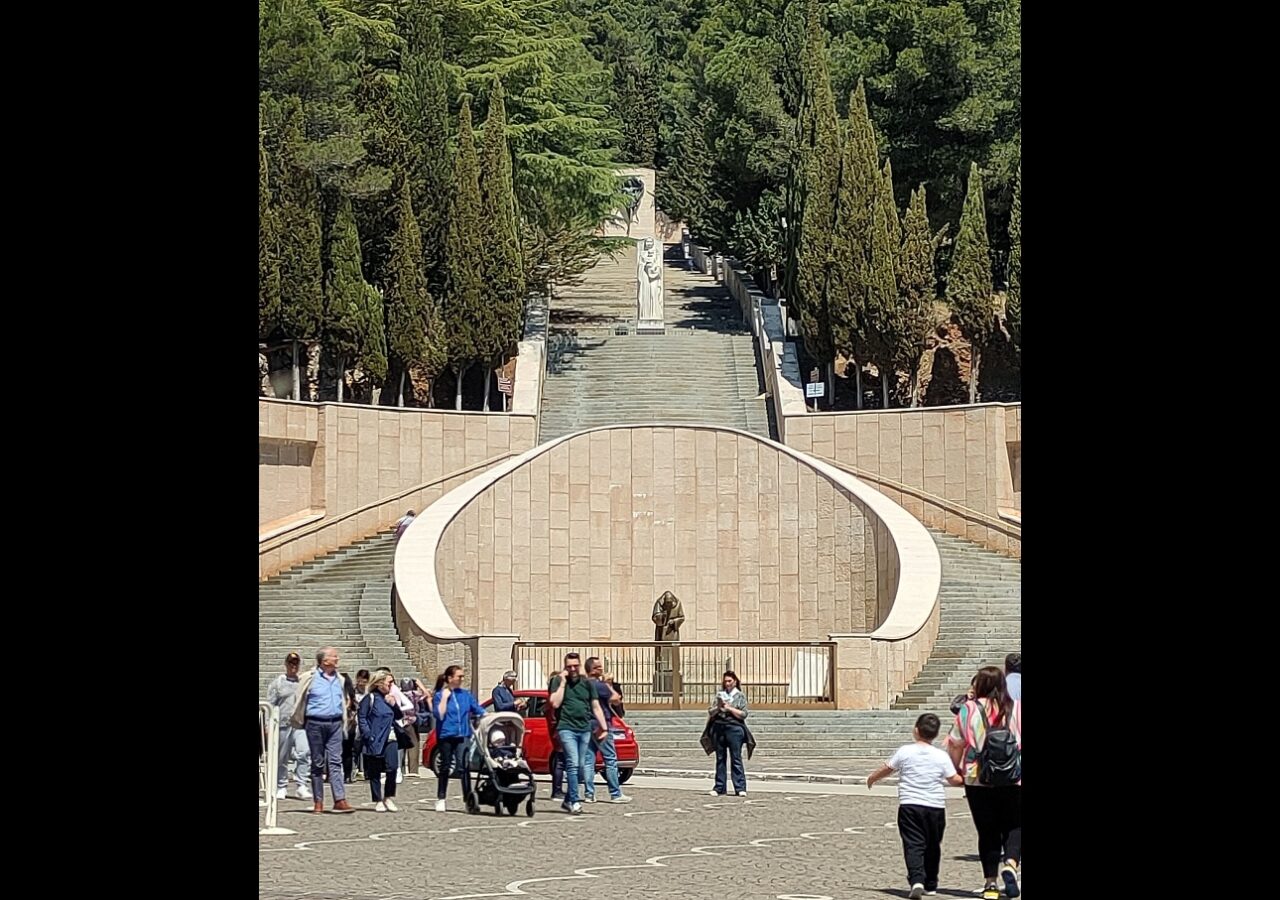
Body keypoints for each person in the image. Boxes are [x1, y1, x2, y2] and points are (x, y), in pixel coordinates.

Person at [866, 713, 964, 899]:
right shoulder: (941, 756)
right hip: (935, 807)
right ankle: (931, 884)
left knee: (913, 844)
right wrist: (969, 778)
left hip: (910, 805)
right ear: (935, 734)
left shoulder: (905, 751)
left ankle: (917, 880)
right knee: (933, 845)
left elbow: (888, 767)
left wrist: (873, 778)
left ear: (916, 731)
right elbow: (954, 779)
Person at [947, 667, 1022, 900]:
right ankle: (1010, 863)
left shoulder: (967, 710)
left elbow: (956, 743)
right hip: (1014, 777)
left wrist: (956, 770)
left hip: (977, 777)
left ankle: (990, 884)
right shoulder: (1017, 708)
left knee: (987, 830)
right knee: (1015, 825)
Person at [290, 646, 355, 814]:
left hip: (335, 723)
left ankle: (339, 799)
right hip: (315, 723)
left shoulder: (340, 679)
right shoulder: (309, 678)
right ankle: (318, 800)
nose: (337, 659)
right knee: (317, 762)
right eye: (334, 656)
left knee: (335, 761)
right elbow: (299, 698)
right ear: (324, 660)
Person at [548, 652, 609, 814]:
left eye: (575, 665)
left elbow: (595, 706)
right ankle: (574, 801)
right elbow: (554, 703)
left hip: (584, 729)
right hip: (566, 728)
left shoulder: (587, 683)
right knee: (573, 764)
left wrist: (604, 727)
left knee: (581, 766)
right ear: (565, 667)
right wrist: (562, 682)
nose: (573, 669)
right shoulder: (558, 681)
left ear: (580, 665)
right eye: (569, 666)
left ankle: (568, 799)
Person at [432, 665, 485, 812]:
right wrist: (444, 698)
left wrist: (485, 715)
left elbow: (477, 709)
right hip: (446, 735)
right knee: (445, 766)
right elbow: (439, 715)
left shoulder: (465, 695)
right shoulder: (439, 695)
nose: (462, 679)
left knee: (464, 767)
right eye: (459, 676)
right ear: (450, 678)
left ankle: (468, 800)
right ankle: (441, 798)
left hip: (463, 735)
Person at [583, 657, 631, 804]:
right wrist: (608, 684)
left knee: (588, 760)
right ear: (592, 669)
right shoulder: (599, 685)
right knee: (610, 759)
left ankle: (589, 794)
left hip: (586, 724)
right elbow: (616, 699)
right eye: (598, 667)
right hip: (602, 723)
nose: (601, 669)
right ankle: (615, 793)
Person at [267, 652, 313, 801]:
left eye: (296, 664)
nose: (293, 667)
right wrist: (269, 724)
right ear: (286, 664)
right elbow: (270, 704)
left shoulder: (303, 682)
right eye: (291, 664)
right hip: (282, 723)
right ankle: (281, 786)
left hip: (299, 724)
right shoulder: (278, 683)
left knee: (304, 752)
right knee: (282, 757)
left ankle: (302, 784)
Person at [357, 672, 404, 812]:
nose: (391, 685)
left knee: (392, 767)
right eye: (389, 682)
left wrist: (394, 705)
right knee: (375, 769)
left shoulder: (389, 698)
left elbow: (399, 716)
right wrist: (368, 734)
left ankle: (388, 796)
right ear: (379, 683)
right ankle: (377, 798)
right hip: (376, 738)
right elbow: (362, 717)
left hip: (391, 737)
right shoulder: (370, 698)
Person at [705, 670, 751, 797]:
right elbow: (711, 711)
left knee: (736, 758)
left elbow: (743, 714)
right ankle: (719, 786)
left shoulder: (739, 696)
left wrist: (730, 708)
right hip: (719, 728)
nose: (727, 684)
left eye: (729, 681)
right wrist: (718, 707)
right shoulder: (720, 695)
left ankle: (740, 787)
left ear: (735, 681)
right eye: (725, 681)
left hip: (734, 728)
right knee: (720, 758)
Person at [341, 673, 358, 784]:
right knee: (347, 752)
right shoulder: (350, 693)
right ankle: (347, 775)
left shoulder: (343, 693)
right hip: (349, 725)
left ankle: (345, 774)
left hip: (344, 724)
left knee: (343, 751)